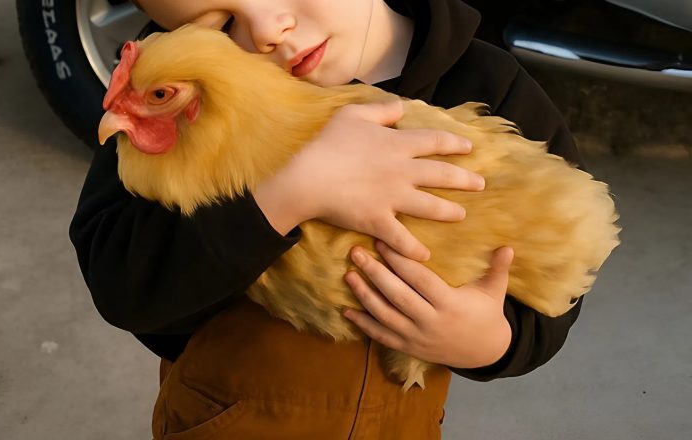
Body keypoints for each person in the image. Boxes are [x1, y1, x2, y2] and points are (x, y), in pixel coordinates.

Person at [69, 0, 585, 437]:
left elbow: (563, 257)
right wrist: (284, 198)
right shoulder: (168, 88)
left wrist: (494, 342)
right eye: (220, 26)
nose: (267, 29)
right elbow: (121, 286)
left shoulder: (490, 85)